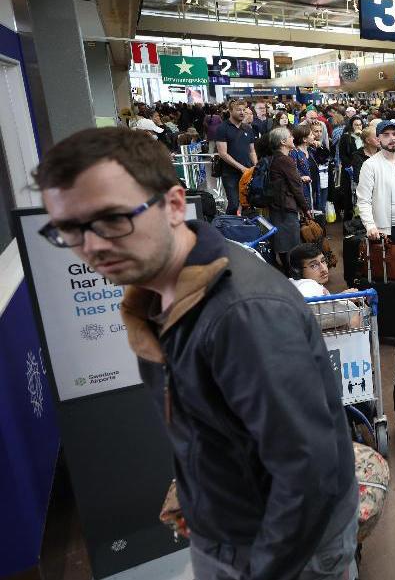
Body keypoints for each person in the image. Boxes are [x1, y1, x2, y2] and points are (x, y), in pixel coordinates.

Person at [34, 127, 358, 579]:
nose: (91, 247)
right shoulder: (158, 293)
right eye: (69, 230)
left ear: (171, 205)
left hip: (279, 549)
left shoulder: (244, 316)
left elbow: (307, 474)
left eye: (111, 220)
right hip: (229, 527)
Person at [355, 119, 395, 281]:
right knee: (387, 275)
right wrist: (370, 225)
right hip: (384, 232)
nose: (392, 138)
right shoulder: (370, 165)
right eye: (386, 135)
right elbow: (363, 200)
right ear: (378, 139)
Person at [265, 127, 313, 267]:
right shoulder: (285, 160)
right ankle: (292, 274)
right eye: (290, 136)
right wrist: (306, 208)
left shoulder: (273, 159)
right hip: (286, 206)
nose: (293, 138)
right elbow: (296, 187)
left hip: (277, 205)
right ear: (283, 141)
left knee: (282, 242)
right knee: (290, 244)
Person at [213, 100, 257, 214]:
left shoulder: (248, 128)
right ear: (230, 111)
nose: (242, 112)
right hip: (230, 173)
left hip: (247, 172)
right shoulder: (222, 128)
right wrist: (241, 167)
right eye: (238, 110)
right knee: (233, 204)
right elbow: (223, 153)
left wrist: (256, 166)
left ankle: (245, 229)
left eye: (243, 110)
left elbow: (252, 151)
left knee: (247, 203)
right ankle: (229, 228)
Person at [289, 124, 318, 210]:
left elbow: (325, 156)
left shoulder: (311, 150)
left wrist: (320, 146)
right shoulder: (294, 152)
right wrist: (301, 177)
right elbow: (292, 171)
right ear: (304, 139)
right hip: (303, 190)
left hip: (313, 187)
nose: (314, 136)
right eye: (311, 135)